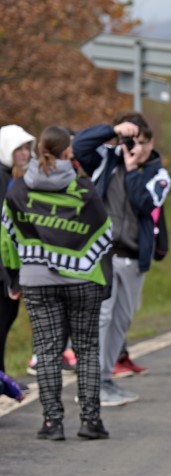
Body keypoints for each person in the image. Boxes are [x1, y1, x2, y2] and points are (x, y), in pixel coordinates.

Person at [2, 126, 113, 439]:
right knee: (86, 349)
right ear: (68, 152)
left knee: (47, 350)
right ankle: (91, 422)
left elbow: (7, 237)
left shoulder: (19, 189)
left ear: (39, 151)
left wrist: (14, 277)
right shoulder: (83, 189)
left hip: (37, 280)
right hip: (82, 278)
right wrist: (104, 278)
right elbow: (104, 233)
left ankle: (52, 423)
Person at [74, 112, 170, 407]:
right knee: (102, 318)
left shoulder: (159, 175)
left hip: (133, 257)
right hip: (102, 254)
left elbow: (144, 204)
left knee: (121, 321)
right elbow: (79, 145)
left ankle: (105, 379)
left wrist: (132, 171)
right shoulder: (106, 158)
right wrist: (112, 131)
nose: (136, 148)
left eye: (142, 142)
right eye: (131, 141)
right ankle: (91, 384)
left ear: (151, 142)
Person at [0, 124, 34, 381]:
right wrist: (9, 277)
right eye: (18, 148)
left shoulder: (14, 177)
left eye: (27, 148)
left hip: (11, 266)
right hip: (3, 269)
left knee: (6, 322)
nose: (25, 153)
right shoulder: (2, 179)